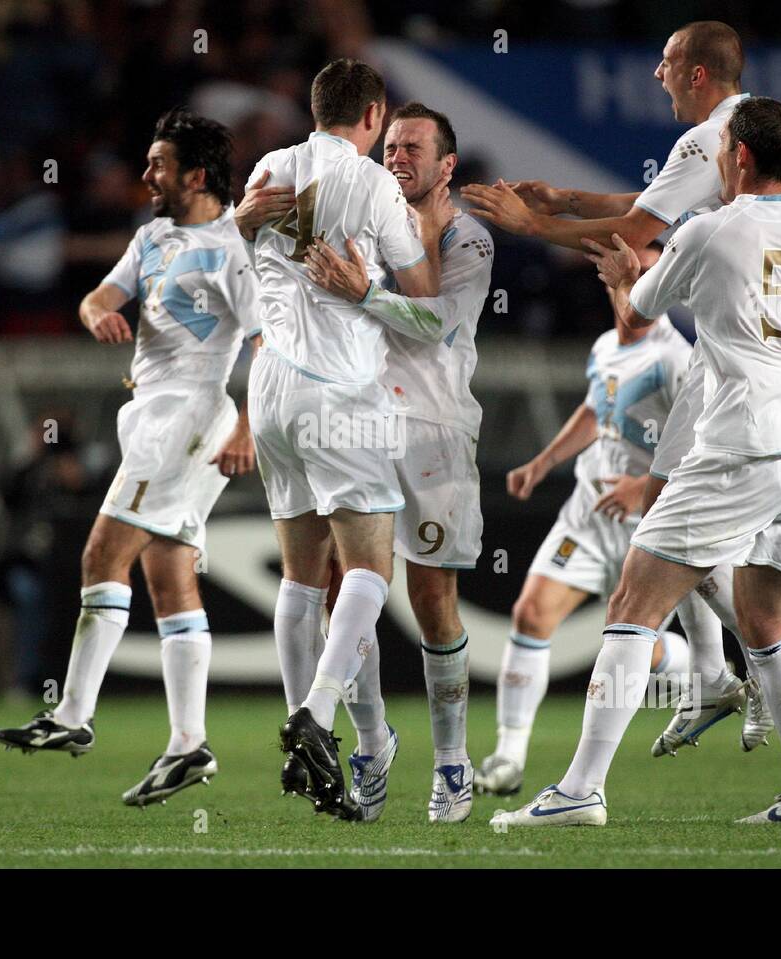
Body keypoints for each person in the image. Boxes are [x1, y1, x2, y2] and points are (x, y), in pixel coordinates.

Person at [494, 97, 781, 828]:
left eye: (722, 151)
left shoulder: (710, 230)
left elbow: (643, 296)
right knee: (768, 625)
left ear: (739, 157)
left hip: (741, 442)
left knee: (633, 604)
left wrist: (621, 268)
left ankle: (581, 789)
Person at [462, 19, 781, 755]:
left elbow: (642, 232)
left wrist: (533, 221)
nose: (656, 75)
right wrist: (569, 198)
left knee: (664, 559)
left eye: (666, 62)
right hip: (757, 364)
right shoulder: (745, 133)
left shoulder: (709, 137)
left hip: (730, 370)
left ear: (698, 74)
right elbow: (658, 206)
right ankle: (723, 683)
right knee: (681, 539)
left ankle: (744, 681)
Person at [0, 109, 261, 810]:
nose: (146, 175)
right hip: (152, 415)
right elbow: (95, 297)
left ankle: (73, 715)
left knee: (100, 555)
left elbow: (272, 343)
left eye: (158, 165)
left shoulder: (234, 248)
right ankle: (188, 744)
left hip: (191, 416)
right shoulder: (151, 239)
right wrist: (99, 315)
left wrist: (251, 428)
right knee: (167, 572)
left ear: (196, 176)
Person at [237, 58, 442, 820]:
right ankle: (315, 717)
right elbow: (424, 300)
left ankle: (307, 740)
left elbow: (241, 254)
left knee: (300, 577)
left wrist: (237, 222)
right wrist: (372, 289)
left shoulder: (271, 167)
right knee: (367, 568)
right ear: (375, 116)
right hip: (342, 388)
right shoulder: (374, 184)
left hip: (270, 387)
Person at [299, 102, 493, 821]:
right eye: (389, 146)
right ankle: (374, 741)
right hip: (359, 425)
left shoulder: (470, 239)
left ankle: (451, 764)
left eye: (413, 147)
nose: (396, 157)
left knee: (432, 600)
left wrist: (364, 293)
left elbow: (442, 324)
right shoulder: (363, 225)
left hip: (435, 431)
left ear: (447, 165)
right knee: (339, 587)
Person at [472, 245, 708, 797]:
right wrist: (543, 461)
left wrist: (640, 484)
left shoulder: (679, 359)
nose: (631, 280)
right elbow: (595, 409)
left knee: (636, 649)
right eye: (629, 271)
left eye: (648, 273)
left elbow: (699, 445)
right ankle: (508, 756)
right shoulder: (606, 346)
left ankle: (701, 667)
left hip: (644, 522)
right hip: (585, 513)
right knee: (531, 615)